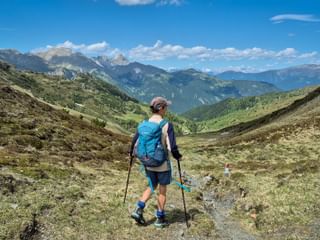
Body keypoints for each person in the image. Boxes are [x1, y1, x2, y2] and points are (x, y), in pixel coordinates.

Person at [129, 96, 182, 228]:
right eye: (166, 107)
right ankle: (160, 218)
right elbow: (172, 147)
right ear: (161, 108)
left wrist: (131, 155)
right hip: (162, 164)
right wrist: (178, 157)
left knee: (151, 185)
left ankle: (138, 209)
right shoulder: (166, 125)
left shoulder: (143, 124)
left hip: (147, 162)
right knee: (162, 191)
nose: (167, 110)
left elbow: (134, 142)